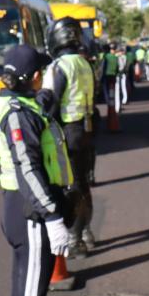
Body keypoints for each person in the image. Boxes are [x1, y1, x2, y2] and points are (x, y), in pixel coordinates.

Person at [0, 45, 73, 296]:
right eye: (41, 72)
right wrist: (52, 215)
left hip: (23, 208)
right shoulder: (18, 114)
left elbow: (46, 105)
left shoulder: (23, 104)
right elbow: (28, 169)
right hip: (31, 212)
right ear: (32, 77)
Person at [41, 17, 96, 257]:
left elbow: (50, 102)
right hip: (87, 129)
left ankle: (75, 238)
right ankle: (85, 233)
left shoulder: (58, 66)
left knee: (70, 186)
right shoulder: (85, 64)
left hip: (67, 132)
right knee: (83, 183)